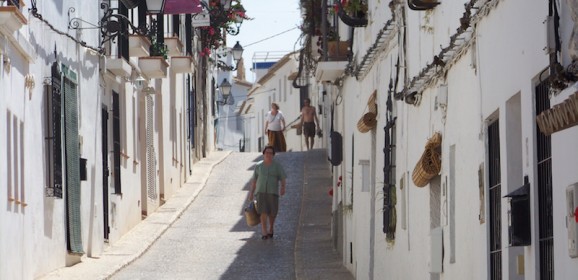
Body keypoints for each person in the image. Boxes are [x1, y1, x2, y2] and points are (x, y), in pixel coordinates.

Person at [249, 145, 287, 240]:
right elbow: (254, 180)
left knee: (272, 213)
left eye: (270, 153)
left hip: (272, 192)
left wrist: (282, 188)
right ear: (263, 154)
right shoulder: (258, 166)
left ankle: (271, 228)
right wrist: (251, 193)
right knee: (263, 212)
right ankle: (264, 231)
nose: (268, 155)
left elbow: (282, 178)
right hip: (260, 192)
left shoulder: (277, 166)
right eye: (267, 153)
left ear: (273, 155)